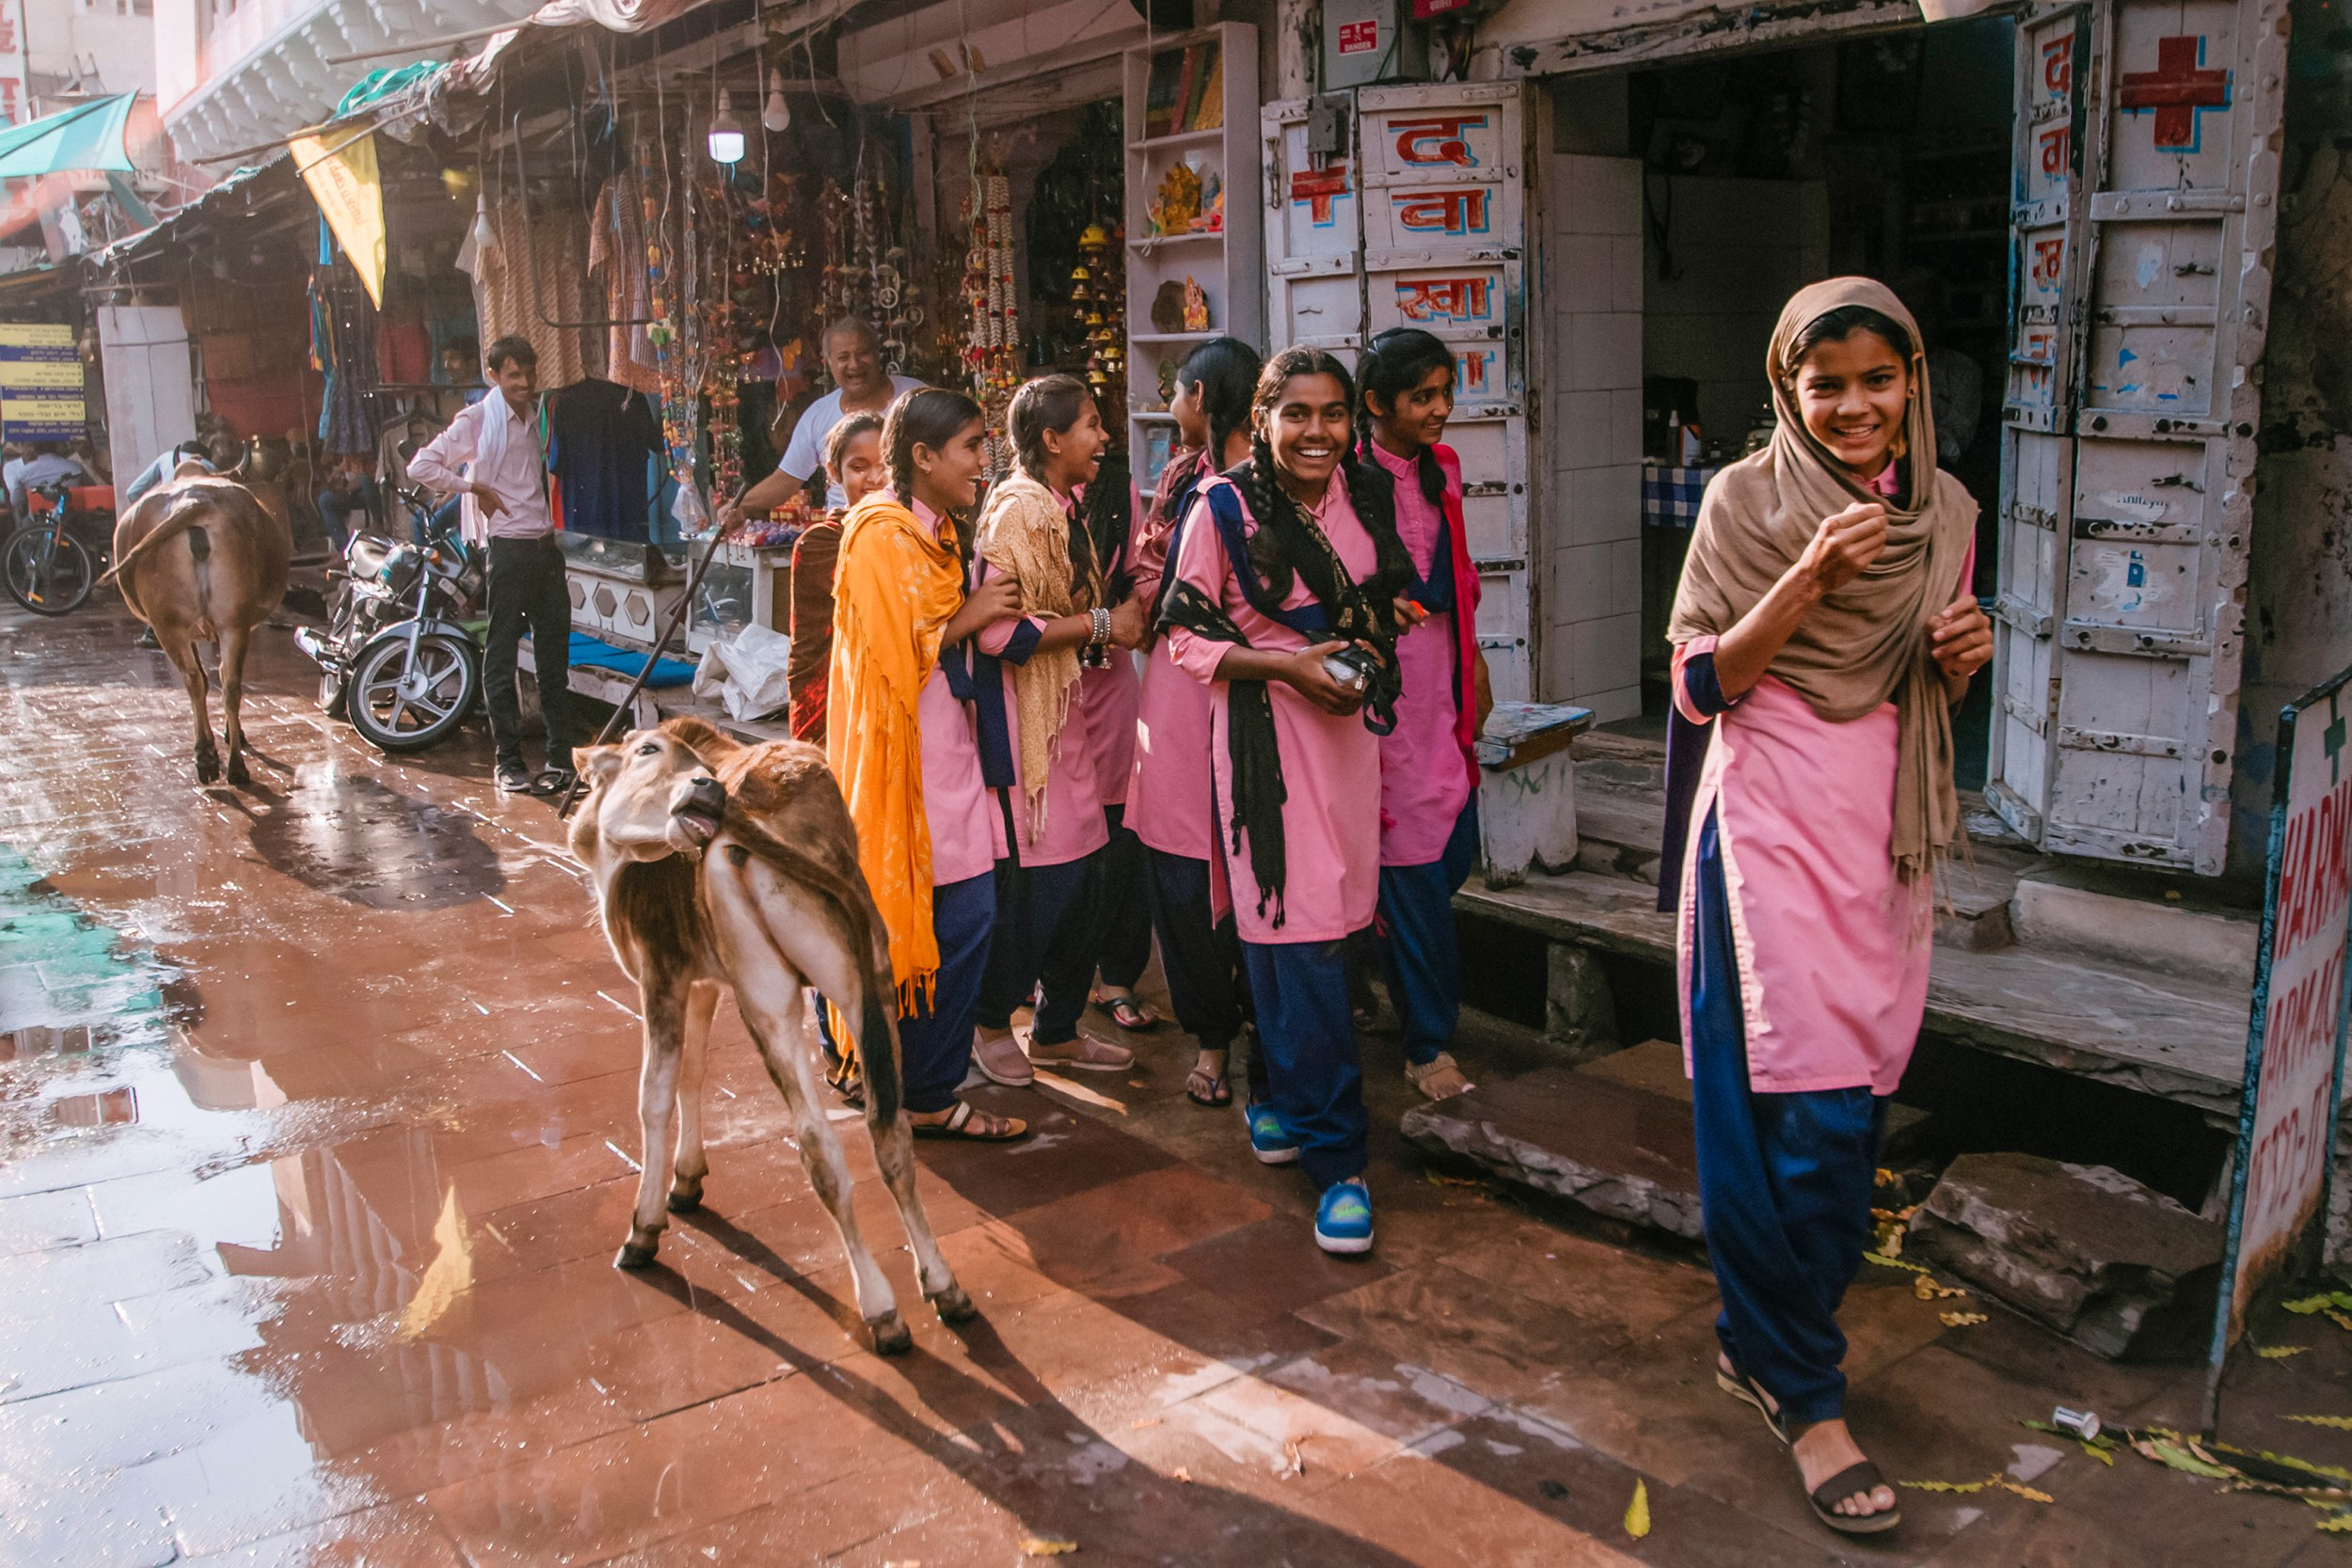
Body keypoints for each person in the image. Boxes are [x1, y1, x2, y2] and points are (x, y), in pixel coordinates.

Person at [1662, 278, 1990, 1537]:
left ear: (1912, 379)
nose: (1855, 405)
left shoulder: (1946, 511)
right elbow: (1697, 682)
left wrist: (1965, 650)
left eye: (1878, 378)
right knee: (1784, 1114)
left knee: (1847, 1114)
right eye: (1827, 382)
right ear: (1787, 389)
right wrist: (1803, 577)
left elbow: (1924, 658)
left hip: (1883, 842)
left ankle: (1762, 1339)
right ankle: (1805, 1390)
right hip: (1767, 830)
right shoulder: (1742, 502)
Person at [1161, 346, 1411, 1256]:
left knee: (1330, 929)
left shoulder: (1367, 495)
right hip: (1264, 740)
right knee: (1289, 925)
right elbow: (1185, 631)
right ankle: (1340, 1162)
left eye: (1333, 414)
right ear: (1262, 418)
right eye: (1296, 413)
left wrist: (1364, 658)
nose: (1318, 432)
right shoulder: (1221, 508)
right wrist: (1285, 664)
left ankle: (1271, 1084)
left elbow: (1380, 606)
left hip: (1346, 741)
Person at [827, 387, 1026, 1143]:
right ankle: (908, 1081)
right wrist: (966, 619)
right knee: (904, 920)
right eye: (973, 447)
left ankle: (917, 1080)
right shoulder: (878, 534)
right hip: (901, 760)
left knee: (964, 916)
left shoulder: (940, 532)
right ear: (923, 457)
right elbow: (882, 662)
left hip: (948, 751)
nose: (984, 461)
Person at [966, 375, 1147, 1086]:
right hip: (1026, 730)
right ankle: (990, 1024)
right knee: (1045, 887)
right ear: (1050, 439)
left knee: (1089, 880)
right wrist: (1105, 624)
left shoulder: (1061, 506)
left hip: (1064, 724)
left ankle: (1058, 1029)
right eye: (1091, 425)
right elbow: (999, 636)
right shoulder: (1019, 512)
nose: (1103, 438)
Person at [1357, 328, 1493, 1103]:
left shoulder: (1444, 467)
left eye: (1447, 393)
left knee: (1451, 851)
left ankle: (1388, 973)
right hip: (1384, 694)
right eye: (1423, 397)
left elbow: (1460, 575)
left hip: (1442, 682)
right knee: (1410, 863)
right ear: (1377, 405)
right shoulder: (1347, 478)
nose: (1442, 410)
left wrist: (1475, 664)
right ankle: (1428, 1041)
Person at [1128, 337, 1262, 1108]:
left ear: (1203, 398)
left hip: (1255, 692)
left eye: (1177, 392)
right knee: (1180, 871)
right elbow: (1152, 576)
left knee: (1260, 857)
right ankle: (1212, 1037)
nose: (1173, 406)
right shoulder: (1181, 479)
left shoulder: (1272, 485)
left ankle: (1267, 1030)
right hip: (1179, 697)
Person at [407, 335, 576, 798]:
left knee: (553, 661)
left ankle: (560, 760)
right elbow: (421, 467)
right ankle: (508, 761)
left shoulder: (535, 416)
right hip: (507, 551)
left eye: (528, 373)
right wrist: (472, 489)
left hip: (544, 549)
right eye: (513, 375)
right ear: (495, 377)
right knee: (500, 655)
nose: (523, 383)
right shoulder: (480, 418)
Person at [723, 320, 922, 526]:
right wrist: (739, 506)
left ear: (877, 354)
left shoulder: (916, 400)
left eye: (863, 354)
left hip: (911, 531)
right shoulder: (818, 415)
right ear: (828, 362)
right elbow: (786, 480)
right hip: (842, 536)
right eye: (843, 357)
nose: (854, 364)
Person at [787, 412, 885, 744]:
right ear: (834, 473)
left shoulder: (901, 533)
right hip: (827, 706)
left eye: (886, 465)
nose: (876, 478)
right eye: (859, 468)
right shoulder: (820, 543)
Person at [8, 441, 92, 520]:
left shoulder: (23, 473)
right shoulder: (75, 466)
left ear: (35, 449)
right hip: (73, 516)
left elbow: (16, 501)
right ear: (55, 446)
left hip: (38, 522)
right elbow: (91, 487)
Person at [314, 462, 383, 554]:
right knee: (325, 499)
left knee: (365, 480)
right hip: (349, 491)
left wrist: (349, 487)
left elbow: (369, 473)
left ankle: (380, 523)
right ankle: (345, 550)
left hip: (371, 490)